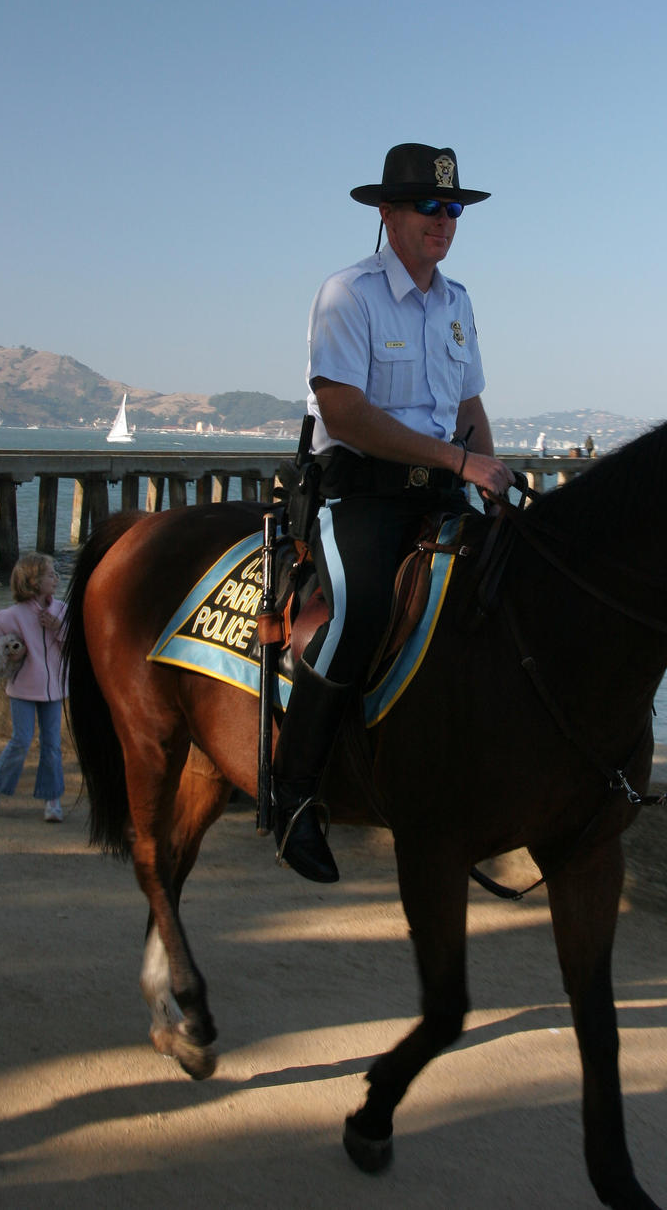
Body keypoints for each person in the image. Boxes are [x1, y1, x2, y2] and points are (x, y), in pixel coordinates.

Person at [273, 143, 514, 884]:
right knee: (362, 611)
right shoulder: (348, 294)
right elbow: (344, 413)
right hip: (362, 492)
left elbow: (468, 405)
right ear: (387, 214)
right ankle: (293, 793)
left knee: (507, 594)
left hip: (441, 490)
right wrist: (459, 464)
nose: (444, 221)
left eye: (453, 208)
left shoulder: (457, 302)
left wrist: (491, 480)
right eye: (427, 206)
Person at [0, 553, 67, 821]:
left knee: (52, 745)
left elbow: (77, 642)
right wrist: (9, 652)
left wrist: (59, 628)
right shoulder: (11, 616)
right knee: (21, 740)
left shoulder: (62, 610)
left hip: (54, 690)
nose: (56, 578)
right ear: (33, 581)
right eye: (50, 574)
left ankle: (52, 799)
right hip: (23, 690)